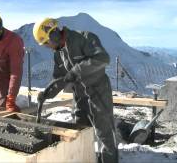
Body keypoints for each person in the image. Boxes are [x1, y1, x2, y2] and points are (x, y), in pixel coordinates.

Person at [33, 18, 118, 163]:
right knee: (81, 131)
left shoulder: (84, 38)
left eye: (46, 42)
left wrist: (76, 71)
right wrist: (47, 93)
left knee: (105, 134)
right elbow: (60, 78)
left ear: (53, 35)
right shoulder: (58, 53)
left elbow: (103, 58)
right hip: (79, 95)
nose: (47, 46)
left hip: (98, 91)